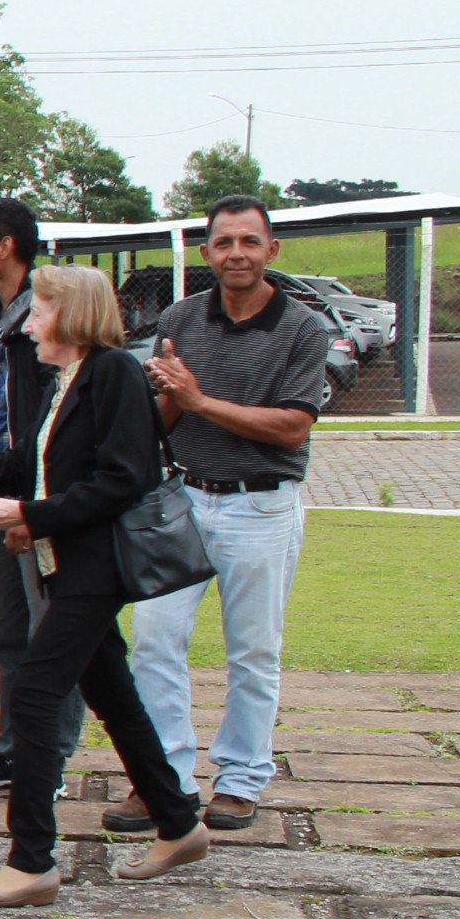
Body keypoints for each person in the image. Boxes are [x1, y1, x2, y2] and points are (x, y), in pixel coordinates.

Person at [0, 266, 209, 906]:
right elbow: (29, 469)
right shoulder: (64, 380)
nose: (29, 321)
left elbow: (122, 480)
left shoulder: (114, 374)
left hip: (95, 567)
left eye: (41, 308)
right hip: (66, 563)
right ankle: (179, 822)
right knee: (114, 695)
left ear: (72, 313)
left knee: (36, 693)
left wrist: (31, 516)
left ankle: (32, 861)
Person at [122, 195, 333, 835]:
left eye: (249, 242)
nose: (235, 254)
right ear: (208, 251)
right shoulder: (182, 318)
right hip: (186, 497)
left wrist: (198, 399)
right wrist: (165, 397)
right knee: (154, 638)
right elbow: (164, 418)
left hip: (261, 503)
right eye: (223, 243)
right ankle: (165, 780)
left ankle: (240, 781)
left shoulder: (303, 328)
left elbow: (293, 428)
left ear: (272, 250)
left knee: (253, 651)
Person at [0, 198, 83, 796]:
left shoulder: (46, 310)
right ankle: (12, 750)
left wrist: (32, 508)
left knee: (48, 631)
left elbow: (48, 418)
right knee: (4, 628)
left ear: (5, 247)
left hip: (34, 498)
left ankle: (45, 757)